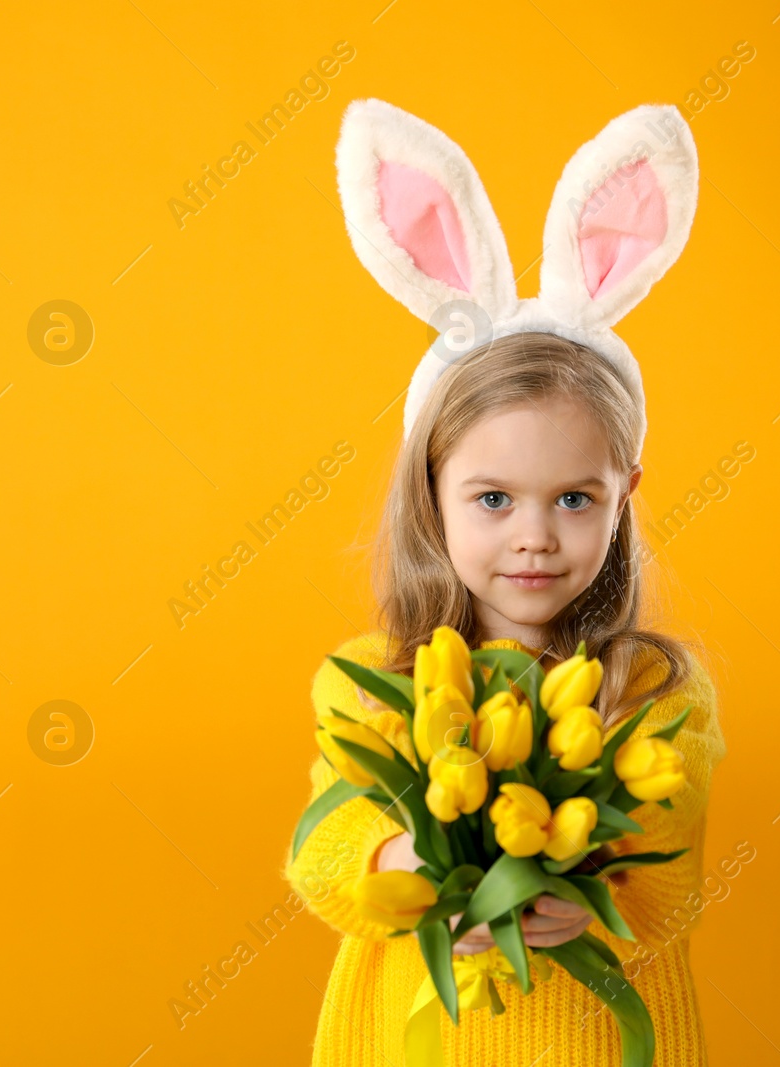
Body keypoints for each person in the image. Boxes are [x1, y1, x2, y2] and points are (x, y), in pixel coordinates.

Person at [283, 98, 728, 1065]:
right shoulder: (371, 681)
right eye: (492, 499)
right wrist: (402, 863)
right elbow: (322, 857)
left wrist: (594, 878)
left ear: (625, 494)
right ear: (430, 489)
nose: (534, 538)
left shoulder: (656, 693)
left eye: (574, 497)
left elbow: (673, 887)